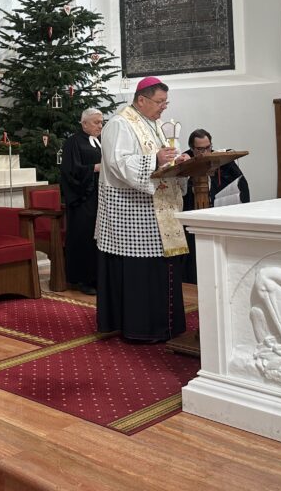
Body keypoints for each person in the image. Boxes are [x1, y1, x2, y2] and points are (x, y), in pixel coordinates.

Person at [94, 77, 190, 343]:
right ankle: (142, 327)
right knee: (141, 272)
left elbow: (164, 155)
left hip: (157, 210)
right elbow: (117, 163)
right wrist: (154, 159)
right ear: (141, 100)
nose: (164, 108)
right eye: (160, 102)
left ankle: (165, 324)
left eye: (165, 102)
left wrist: (178, 160)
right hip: (130, 212)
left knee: (160, 268)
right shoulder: (119, 124)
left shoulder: (155, 124)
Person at [180, 128, 250, 283]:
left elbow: (240, 185)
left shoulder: (222, 159)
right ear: (192, 148)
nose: (205, 152)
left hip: (217, 213)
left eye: (208, 147)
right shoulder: (185, 162)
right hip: (194, 216)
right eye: (200, 149)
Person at [60, 107, 103, 295]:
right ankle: (83, 279)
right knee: (84, 236)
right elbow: (70, 170)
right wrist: (94, 168)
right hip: (83, 197)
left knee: (100, 237)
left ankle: (100, 277)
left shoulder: (101, 142)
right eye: (96, 122)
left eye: (101, 122)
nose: (100, 126)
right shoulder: (73, 142)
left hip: (101, 195)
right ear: (84, 123)